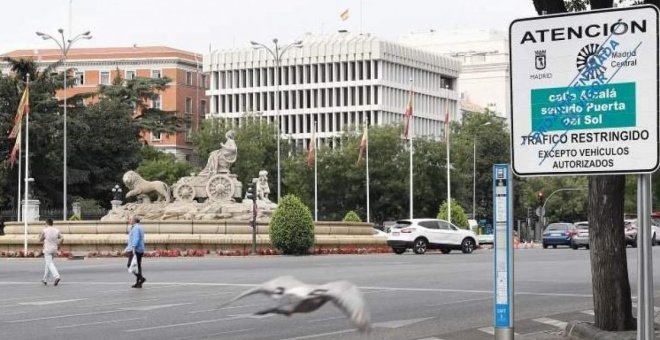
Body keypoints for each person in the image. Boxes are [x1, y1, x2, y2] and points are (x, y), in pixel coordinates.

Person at [39, 218, 62, 286]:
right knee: (48, 264)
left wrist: (42, 237)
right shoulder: (57, 230)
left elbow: (40, 239)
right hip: (54, 249)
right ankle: (44, 279)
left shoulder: (44, 230)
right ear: (52, 223)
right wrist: (59, 245)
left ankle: (57, 276)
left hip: (47, 249)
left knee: (49, 264)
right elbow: (62, 238)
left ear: (46, 223)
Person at [125, 216, 146, 288]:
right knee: (137, 266)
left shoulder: (136, 228)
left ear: (135, 220)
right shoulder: (138, 227)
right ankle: (138, 283)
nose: (129, 220)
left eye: (130, 219)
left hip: (136, 249)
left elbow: (136, 238)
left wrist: (133, 247)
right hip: (140, 249)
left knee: (130, 264)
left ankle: (141, 278)